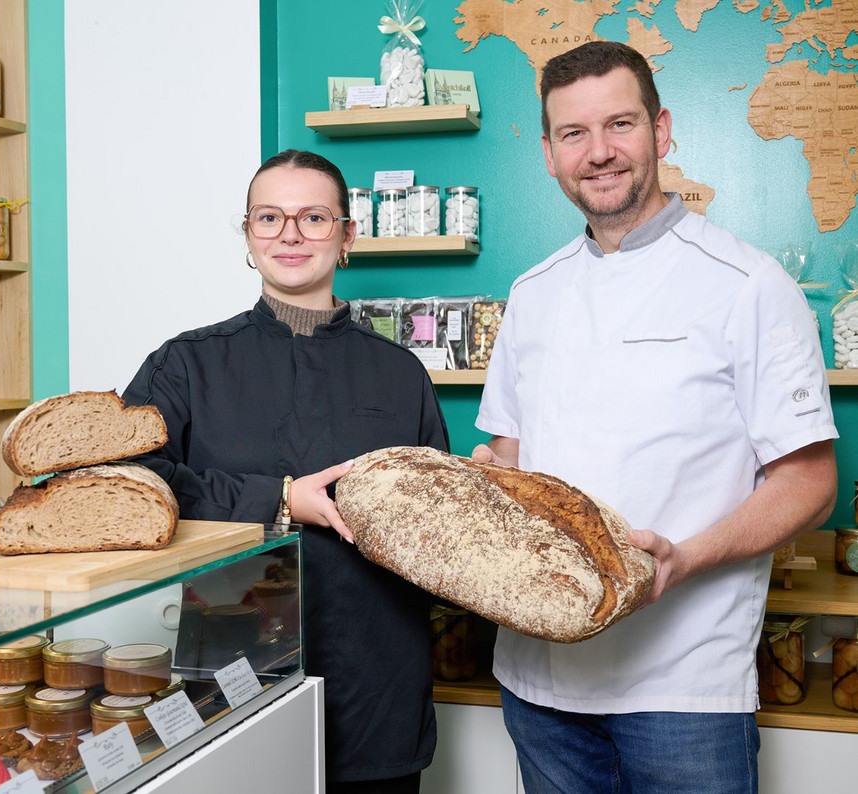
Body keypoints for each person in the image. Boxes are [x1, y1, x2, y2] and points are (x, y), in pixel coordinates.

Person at [472, 41, 838, 793]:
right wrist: (479, 488)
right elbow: (507, 452)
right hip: (539, 685)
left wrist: (683, 560)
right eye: (574, 134)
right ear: (548, 153)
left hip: (683, 689)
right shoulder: (533, 291)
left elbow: (810, 483)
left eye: (621, 125)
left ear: (662, 131)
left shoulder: (749, 285)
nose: (599, 152)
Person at [122, 149, 448, 793]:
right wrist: (276, 499)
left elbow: (434, 519)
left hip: (376, 677)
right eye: (269, 217)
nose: (290, 234)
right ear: (247, 235)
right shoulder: (186, 364)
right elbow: (130, 486)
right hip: (231, 669)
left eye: (314, 217)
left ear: (348, 235)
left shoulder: (400, 373)